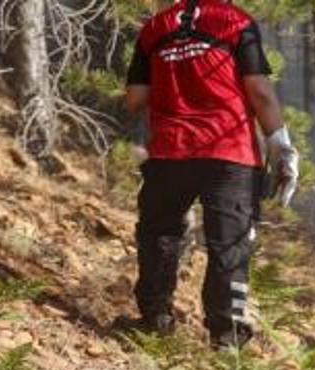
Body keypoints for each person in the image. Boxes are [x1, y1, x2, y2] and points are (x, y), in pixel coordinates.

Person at [123, 0, 299, 349]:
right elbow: (260, 92)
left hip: (170, 150)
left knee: (159, 235)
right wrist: (281, 147)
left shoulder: (153, 29)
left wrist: (175, 81)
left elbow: (135, 99)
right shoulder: (234, 20)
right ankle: (226, 339)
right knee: (229, 247)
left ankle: (155, 322)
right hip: (228, 151)